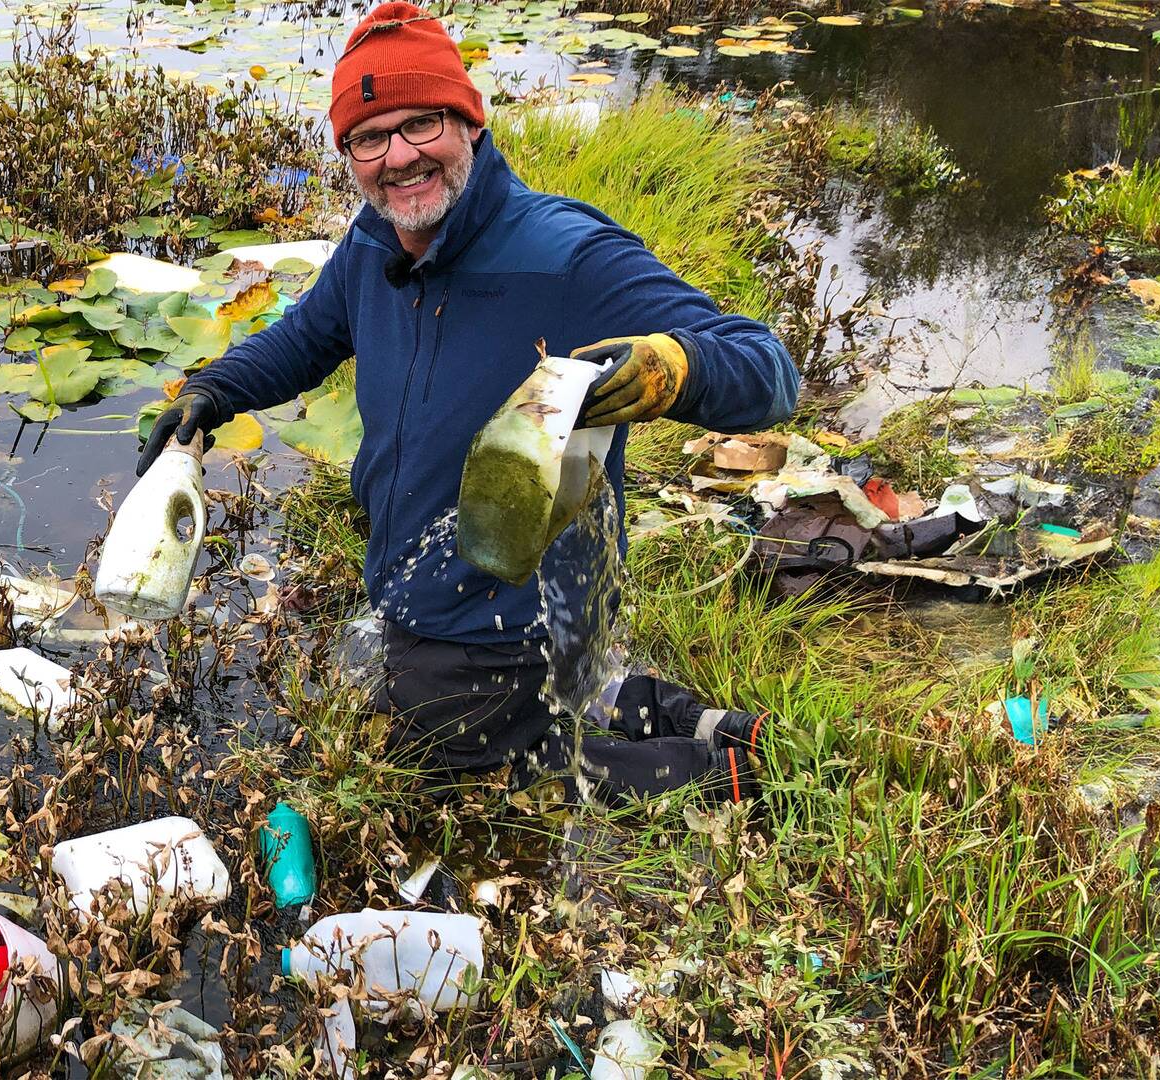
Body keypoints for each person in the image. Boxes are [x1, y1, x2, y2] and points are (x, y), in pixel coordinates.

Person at [136, 2, 799, 803]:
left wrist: (676, 366)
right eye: (370, 138)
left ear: (470, 124)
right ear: (349, 152)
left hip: (514, 614)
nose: (399, 158)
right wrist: (210, 394)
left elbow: (770, 372)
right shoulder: (373, 242)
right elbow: (305, 339)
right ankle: (655, 706)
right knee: (400, 699)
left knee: (436, 770)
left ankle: (716, 770)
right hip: (429, 592)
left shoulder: (566, 256)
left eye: (423, 126)